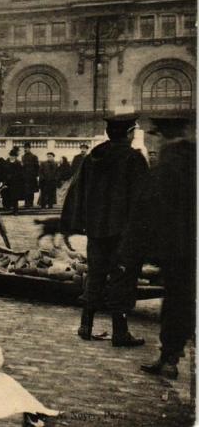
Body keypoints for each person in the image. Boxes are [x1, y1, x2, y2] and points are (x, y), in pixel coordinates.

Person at [61, 113, 148, 347]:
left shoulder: (93, 157)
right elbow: (141, 199)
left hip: (97, 231)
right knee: (122, 278)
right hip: (123, 232)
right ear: (129, 134)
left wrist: (79, 223)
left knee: (95, 274)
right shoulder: (133, 158)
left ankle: (85, 326)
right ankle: (120, 333)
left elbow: (77, 191)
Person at [130, 117, 195, 379]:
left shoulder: (170, 160)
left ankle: (169, 358)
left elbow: (155, 204)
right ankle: (171, 355)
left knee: (178, 301)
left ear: (164, 136)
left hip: (178, 246)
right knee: (184, 300)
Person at [2, 148, 24, 215]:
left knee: (15, 197)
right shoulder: (6, 162)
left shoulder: (18, 163)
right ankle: (8, 209)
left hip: (15, 183)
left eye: (14, 156)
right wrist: (4, 180)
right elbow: (3, 172)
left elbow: (20, 173)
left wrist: (15, 177)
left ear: (16, 156)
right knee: (7, 196)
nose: (12, 157)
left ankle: (15, 210)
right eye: (11, 155)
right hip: (7, 182)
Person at [21, 143, 39, 208]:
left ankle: (30, 203)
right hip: (25, 177)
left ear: (29, 148)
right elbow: (22, 167)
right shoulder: (23, 157)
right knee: (25, 190)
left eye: (27, 148)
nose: (26, 149)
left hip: (31, 176)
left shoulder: (34, 156)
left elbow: (37, 167)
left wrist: (35, 175)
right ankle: (26, 203)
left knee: (31, 190)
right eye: (25, 148)